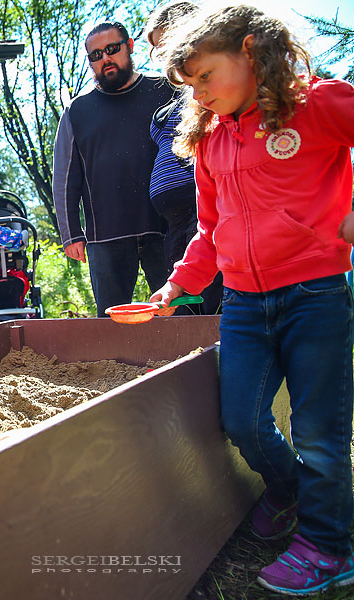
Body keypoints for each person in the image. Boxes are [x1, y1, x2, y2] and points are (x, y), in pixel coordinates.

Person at [151, 5, 354, 595]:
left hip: (314, 292)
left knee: (320, 426)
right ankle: (289, 490)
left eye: (206, 75)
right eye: (190, 86)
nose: (200, 93)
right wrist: (179, 285)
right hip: (243, 301)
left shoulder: (313, 105)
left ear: (248, 50)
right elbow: (209, 229)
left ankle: (327, 547)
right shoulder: (212, 141)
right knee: (241, 418)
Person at [52, 20, 174, 317]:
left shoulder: (166, 91)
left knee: (179, 315)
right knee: (111, 322)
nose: (105, 58)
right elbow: (65, 177)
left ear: (129, 47)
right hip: (105, 235)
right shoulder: (77, 111)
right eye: (96, 55)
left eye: (112, 49)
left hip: (167, 227)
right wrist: (71, 234)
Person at [143, 1, 223, 315]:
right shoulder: (182, 107)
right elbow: (211, 234)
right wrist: (176, 284)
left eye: (165, 43)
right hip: (178, 221)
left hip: (300, 286)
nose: (162, 55)